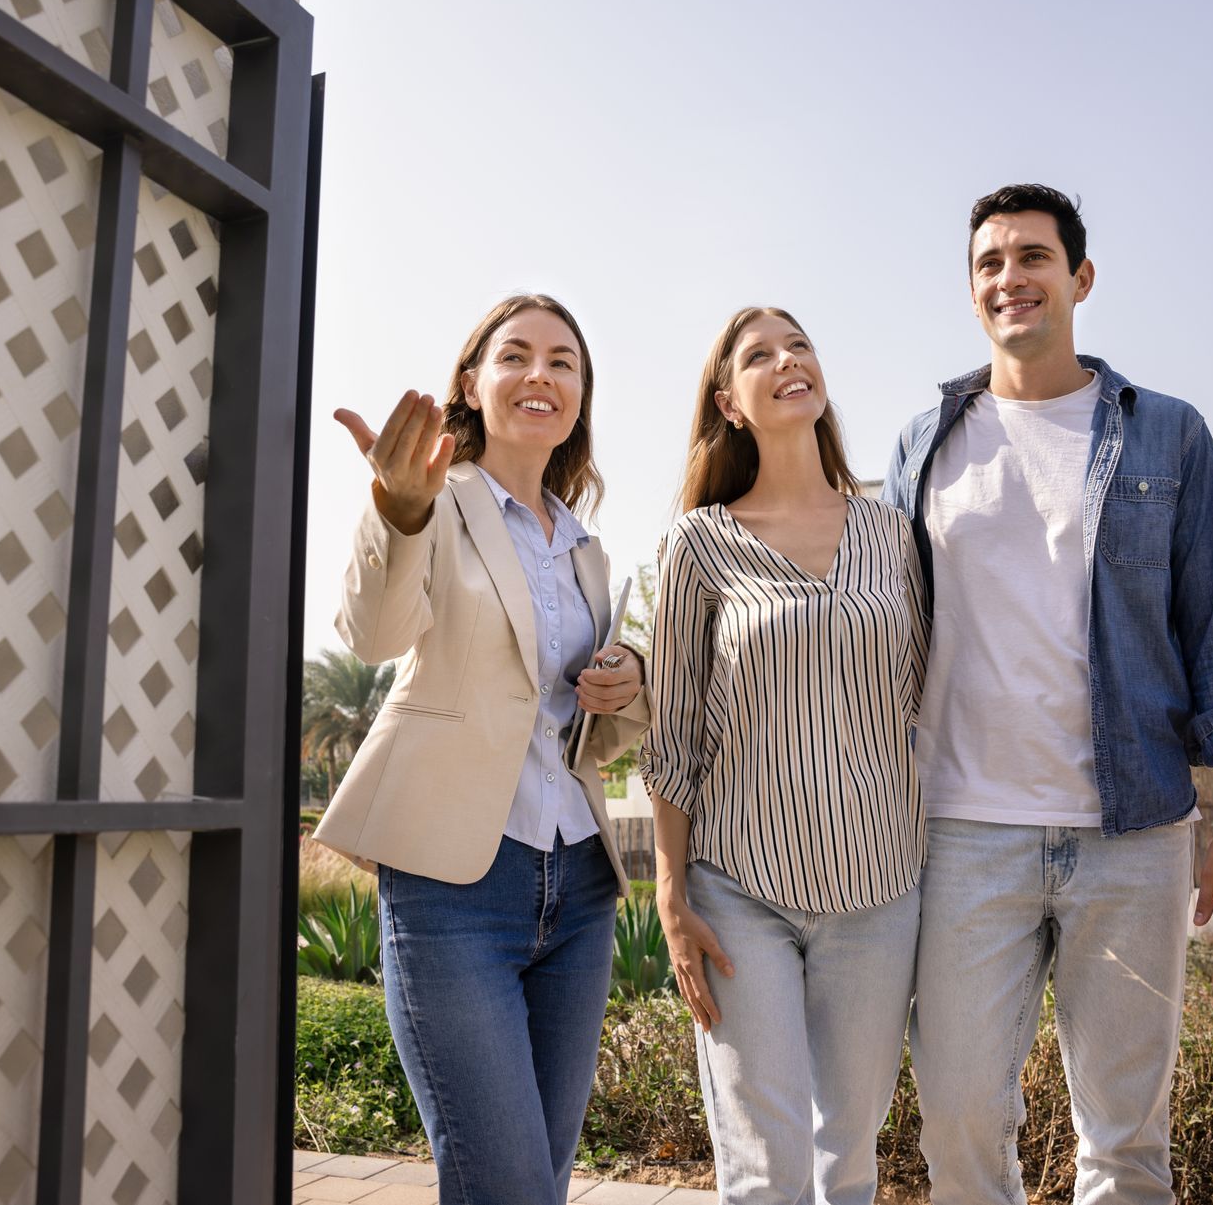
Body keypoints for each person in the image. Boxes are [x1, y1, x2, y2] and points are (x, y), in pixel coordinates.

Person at [881, 184, 1213, 1204]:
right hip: (965, 831)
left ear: (1080, 278)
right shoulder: (923, 443)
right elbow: (874, 626)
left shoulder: (1168, 437)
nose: (1009, 278)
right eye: (990, 264)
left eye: (1032, 257)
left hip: (1134, 829)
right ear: (972, 293)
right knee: (962, 1117)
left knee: (1127, 1141)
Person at [311, 294, 649, 1205]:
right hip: (456, 884)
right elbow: (374, 634)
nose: (540, 374)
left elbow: (585, 728)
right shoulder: (436, 498)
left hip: (579, 888)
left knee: (539, 1178)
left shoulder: (588, 550)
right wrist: (398, 508)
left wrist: (628, 681)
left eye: (563, 361)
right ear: (473, 381)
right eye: (516, 355)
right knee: (506, 1185)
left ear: (580, 394)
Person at [641, 306, 927, 1205]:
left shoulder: (892, 533)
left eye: (799, 344)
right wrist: (671, 894)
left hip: (878, 888)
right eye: (759, 355)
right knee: (767, 1167)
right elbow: (674, 736)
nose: (787, 360)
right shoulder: (700, 545)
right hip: (738, 891)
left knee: (851, 1150)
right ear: (730, 402)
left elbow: (925, 701)